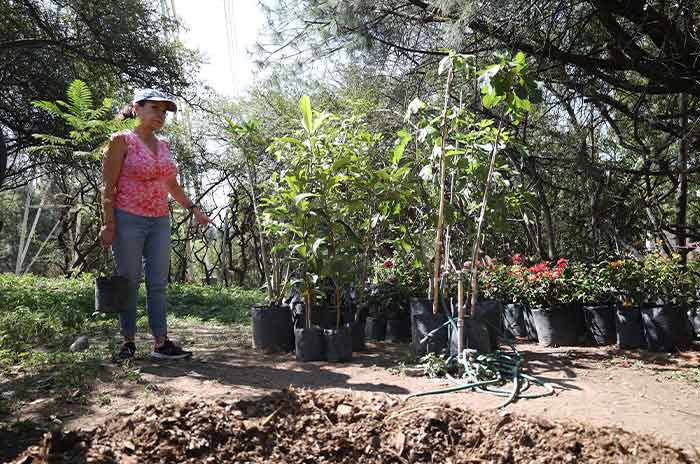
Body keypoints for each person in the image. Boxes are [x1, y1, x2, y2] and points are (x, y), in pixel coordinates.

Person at [99, 89, 212, 361]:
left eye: (164, 111)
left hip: (160, 219)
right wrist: (108, 223)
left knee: (158, 283)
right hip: (128, 218)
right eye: (154, 108)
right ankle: (128, 341)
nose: (160, 115)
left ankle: (161, 343)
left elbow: (171, 184)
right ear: (136, 109)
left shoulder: (164, 145)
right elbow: (108, 186)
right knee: (128, 281)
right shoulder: (121, 140)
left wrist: (194, 209)